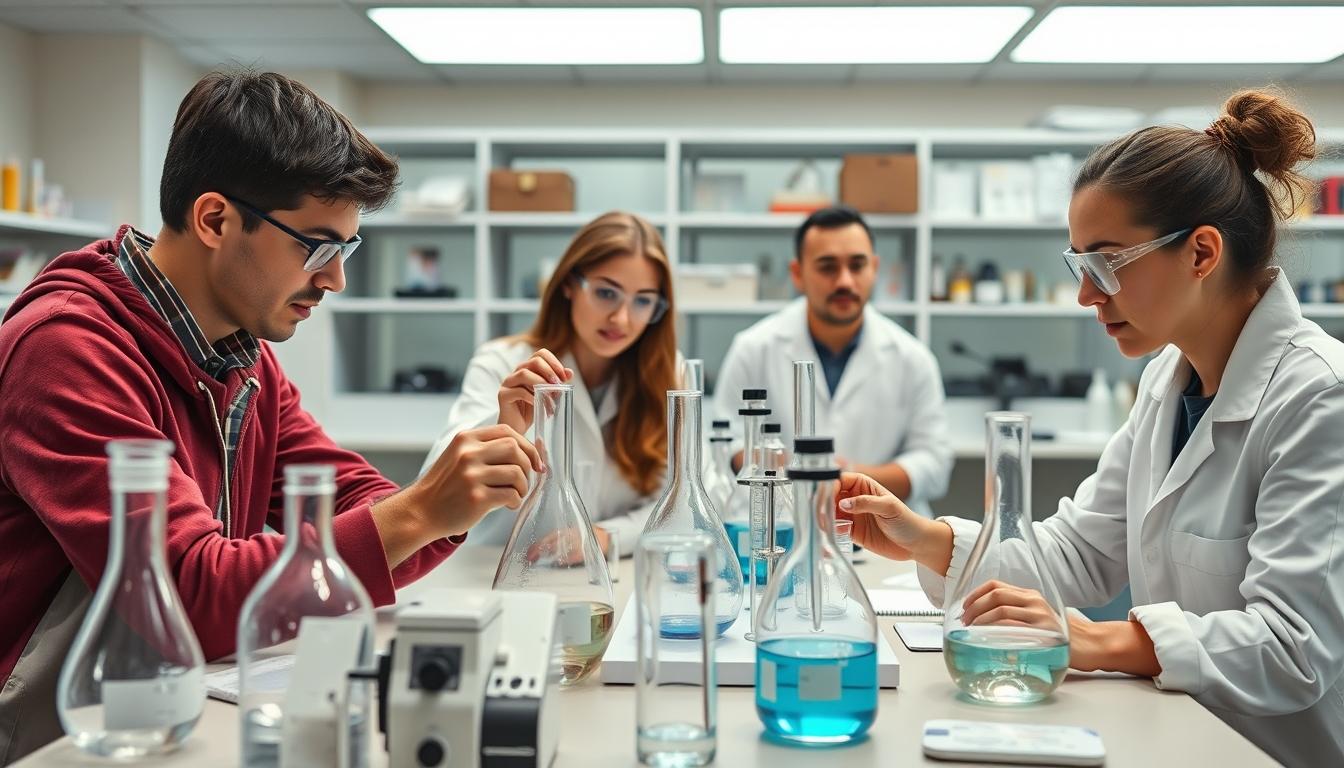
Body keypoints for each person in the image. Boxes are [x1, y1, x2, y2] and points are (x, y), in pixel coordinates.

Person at [0, 70, 540, 763]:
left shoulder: (239, 355)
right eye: (317, 247)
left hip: (162, 713)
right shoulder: (68, 351)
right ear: (216, 220)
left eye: (347, 250)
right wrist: (423, 512)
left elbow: (358, 504)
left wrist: (463, 492)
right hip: (51, 741)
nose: (335, 279)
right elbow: (188, 597)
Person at [838, 90, 1344, 766]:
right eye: (1080, 265)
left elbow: (1291, 647)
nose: (1087, 295)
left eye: (1107, 262)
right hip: (1181, 735)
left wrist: (1096, 641)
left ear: (1200, 253)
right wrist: (921, 537)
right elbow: (1081, 553)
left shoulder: (1319, 395)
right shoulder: (1168, 381)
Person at [422, 211, 680, 559]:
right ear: (569, 285)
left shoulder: (666, 373)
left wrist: (605, 537)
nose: (621, 318)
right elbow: (432, 493)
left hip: (614, 576)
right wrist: (505, 429)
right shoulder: (501, 362)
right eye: (606, 293)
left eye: (643, 301)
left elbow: (688, 499)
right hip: (494, 572)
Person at [714, 205, 952, 516]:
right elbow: (725, 443)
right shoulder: (753, 348)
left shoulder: (913, 358)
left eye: (857, 265)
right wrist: (789, 467)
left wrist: (848, 479)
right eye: (827, 267)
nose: (844, 281)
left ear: (874, 268)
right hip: (780, 525)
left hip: (885, 534)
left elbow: (934, 463)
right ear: (798, 273)